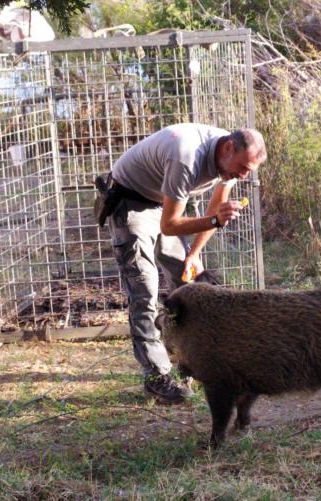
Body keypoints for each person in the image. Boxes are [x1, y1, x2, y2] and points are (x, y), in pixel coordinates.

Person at [107, 123, 267, 403]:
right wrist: (216, 220)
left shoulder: (230, 160)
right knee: (144, 289)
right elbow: (171, 225)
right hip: (131, 199)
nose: (242, 176)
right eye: (242, 168)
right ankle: (157, 375)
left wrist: (193, 254)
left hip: (162, 200)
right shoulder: (186, 154)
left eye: (248, 172)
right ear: (229, 148)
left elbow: (215, 208)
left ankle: (193, 360)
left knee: (188, 281)